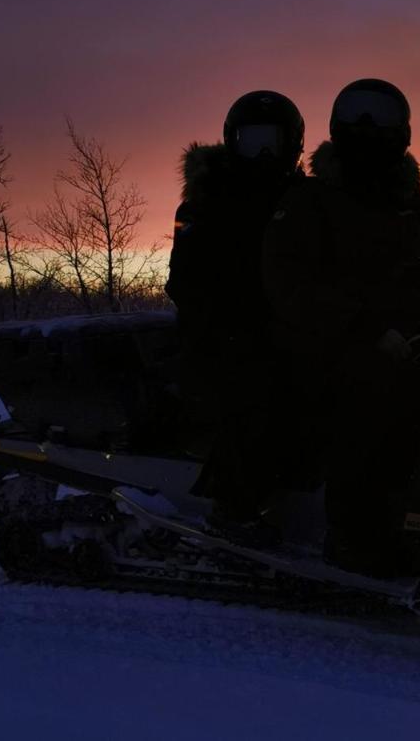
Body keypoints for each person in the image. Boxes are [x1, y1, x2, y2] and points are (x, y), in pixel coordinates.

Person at [263, 78, 420, 571]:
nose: (366, 129)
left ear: (401, 132)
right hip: (324, 345)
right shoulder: (307, 203)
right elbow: (289, 281)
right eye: (356, 118)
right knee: (372, 394)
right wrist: (365, 329)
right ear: (336, 127)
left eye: (378, 119)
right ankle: (354, 533)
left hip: (413, 346)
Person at [165, 90, 306, 527]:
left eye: (273, 141)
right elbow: (186, 283)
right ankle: (234, 508)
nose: (263, 153)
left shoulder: (306, 202)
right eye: (252, 140)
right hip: (222, 339)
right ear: (232, 141)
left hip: (296, 329)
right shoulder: (205, 205)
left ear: (293, 145)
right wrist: (243, 325)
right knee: (257, 391)